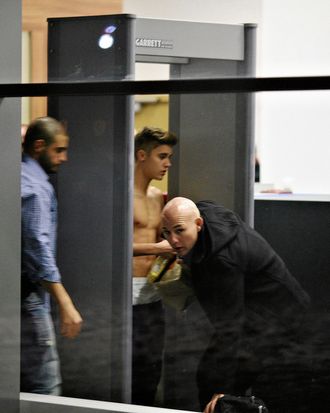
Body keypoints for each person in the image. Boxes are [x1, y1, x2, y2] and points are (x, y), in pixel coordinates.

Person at [161, 197, 312, 413]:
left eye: (179, 231)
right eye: (166, 232)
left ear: (199, 224)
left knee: (224, 389)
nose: (173, 240)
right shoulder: (202, 215)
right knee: (207, 376)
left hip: (279, 317)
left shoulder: (223, 260)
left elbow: (230, 327)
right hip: (260, 311)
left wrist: (222, 389)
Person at [21, 116, 83, 395]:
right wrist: (64, 302)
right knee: (45, 385)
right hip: (29, 297)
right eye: (58, 150)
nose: (65, 157)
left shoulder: (17, 176)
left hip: (19, 296)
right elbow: (37, 246)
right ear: (38, 146)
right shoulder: (35, 188)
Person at [132, 126, 177, 405]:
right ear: (141, 155)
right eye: (162, 156)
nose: (167, 163)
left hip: (152, 294)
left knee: (151, 368)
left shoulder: (158, 197)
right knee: (131, 368)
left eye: (169, 156)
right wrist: (156, 248)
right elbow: (108, 249)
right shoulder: (123, 197)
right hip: (127, 295)